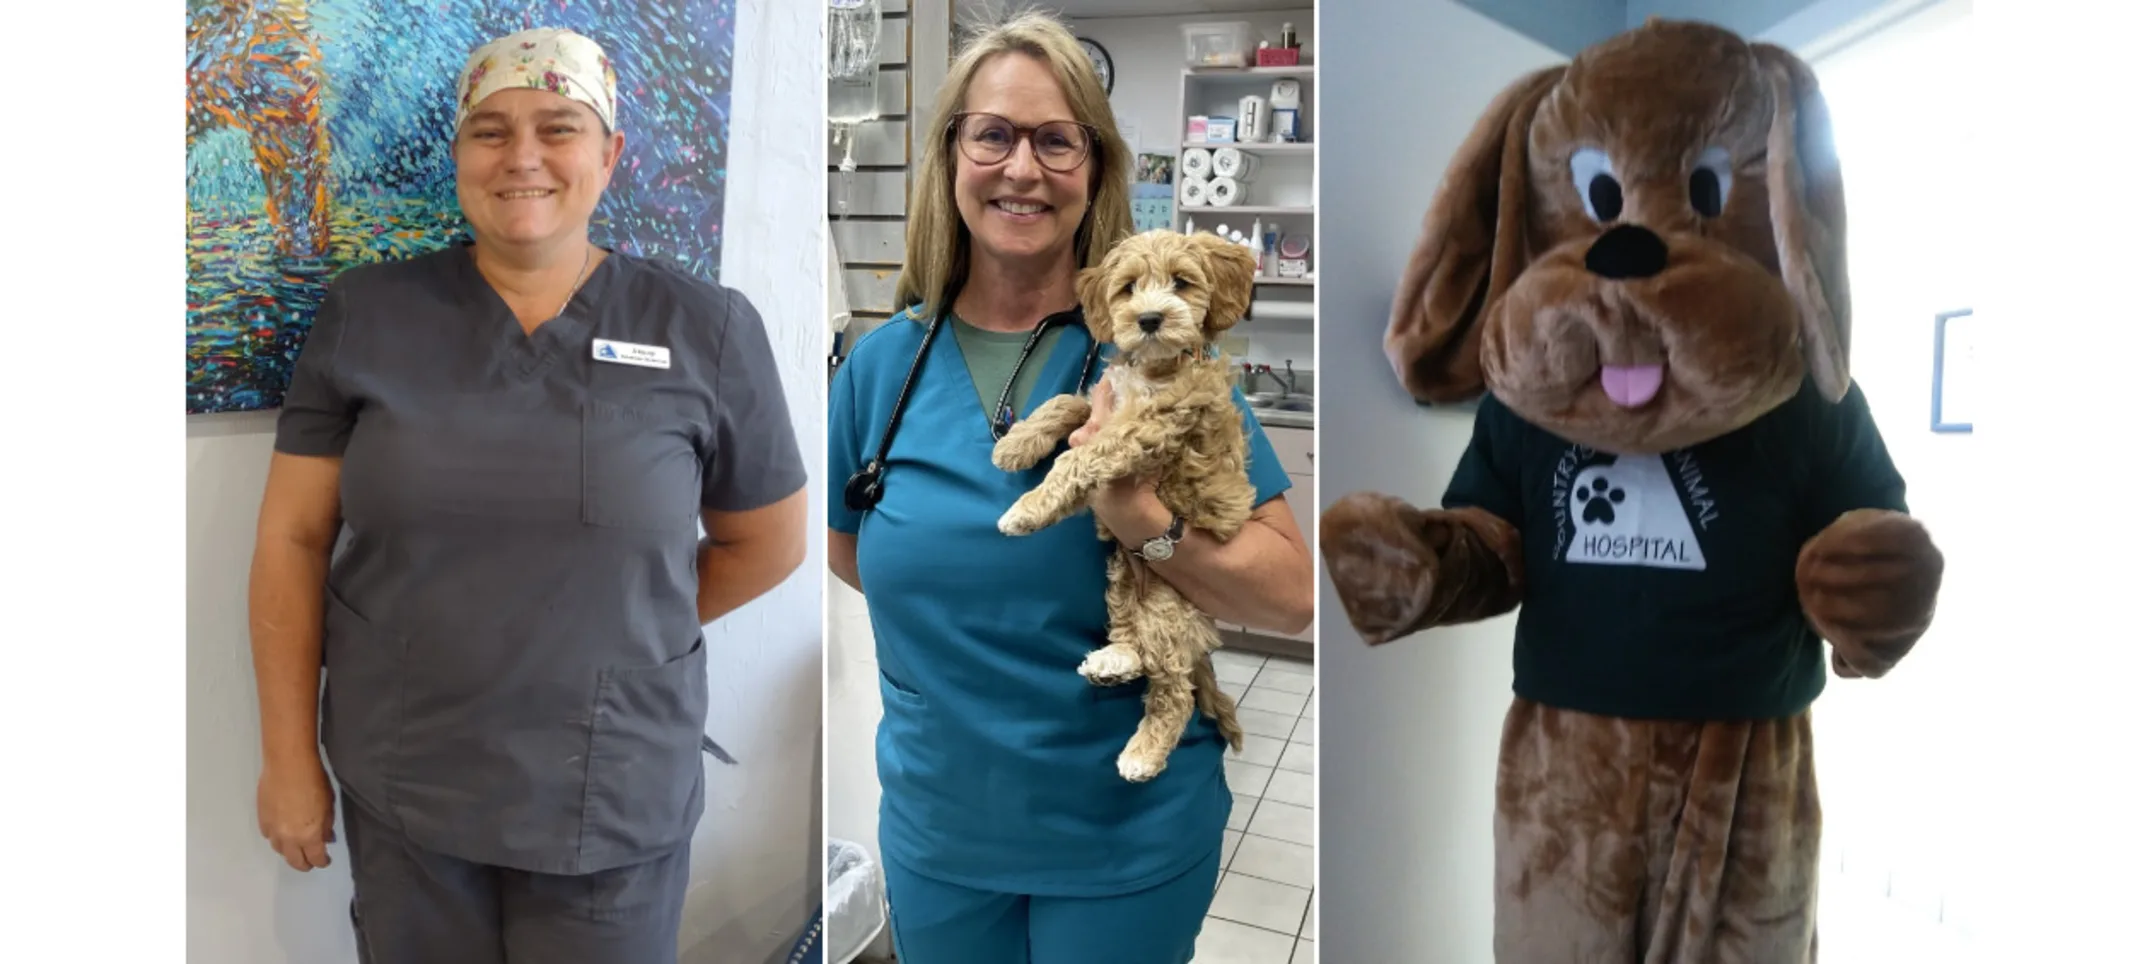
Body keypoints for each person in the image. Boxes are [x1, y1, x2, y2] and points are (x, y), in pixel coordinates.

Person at [246, 27, 807, 963]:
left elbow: (770, 543)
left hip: (611, 790)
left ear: (609, 154)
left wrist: (609, 639)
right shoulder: (367, 316)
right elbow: (294, 541)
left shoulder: (706, 328)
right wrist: (288, 759)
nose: (524, 158)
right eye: (491, 131)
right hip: (407, 779)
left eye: (559, 127)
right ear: (460, 152)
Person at [826, 12, 1314, 963]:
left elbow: (1291, 595)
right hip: (940, 835)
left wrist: (1144, 523)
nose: (1022, 168)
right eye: (993, 134)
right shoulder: (878, 369)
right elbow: (850, 552)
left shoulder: (1158, 357)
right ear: (951, 155)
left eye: (1058, 140)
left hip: (1123, 838)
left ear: (1095, 169)